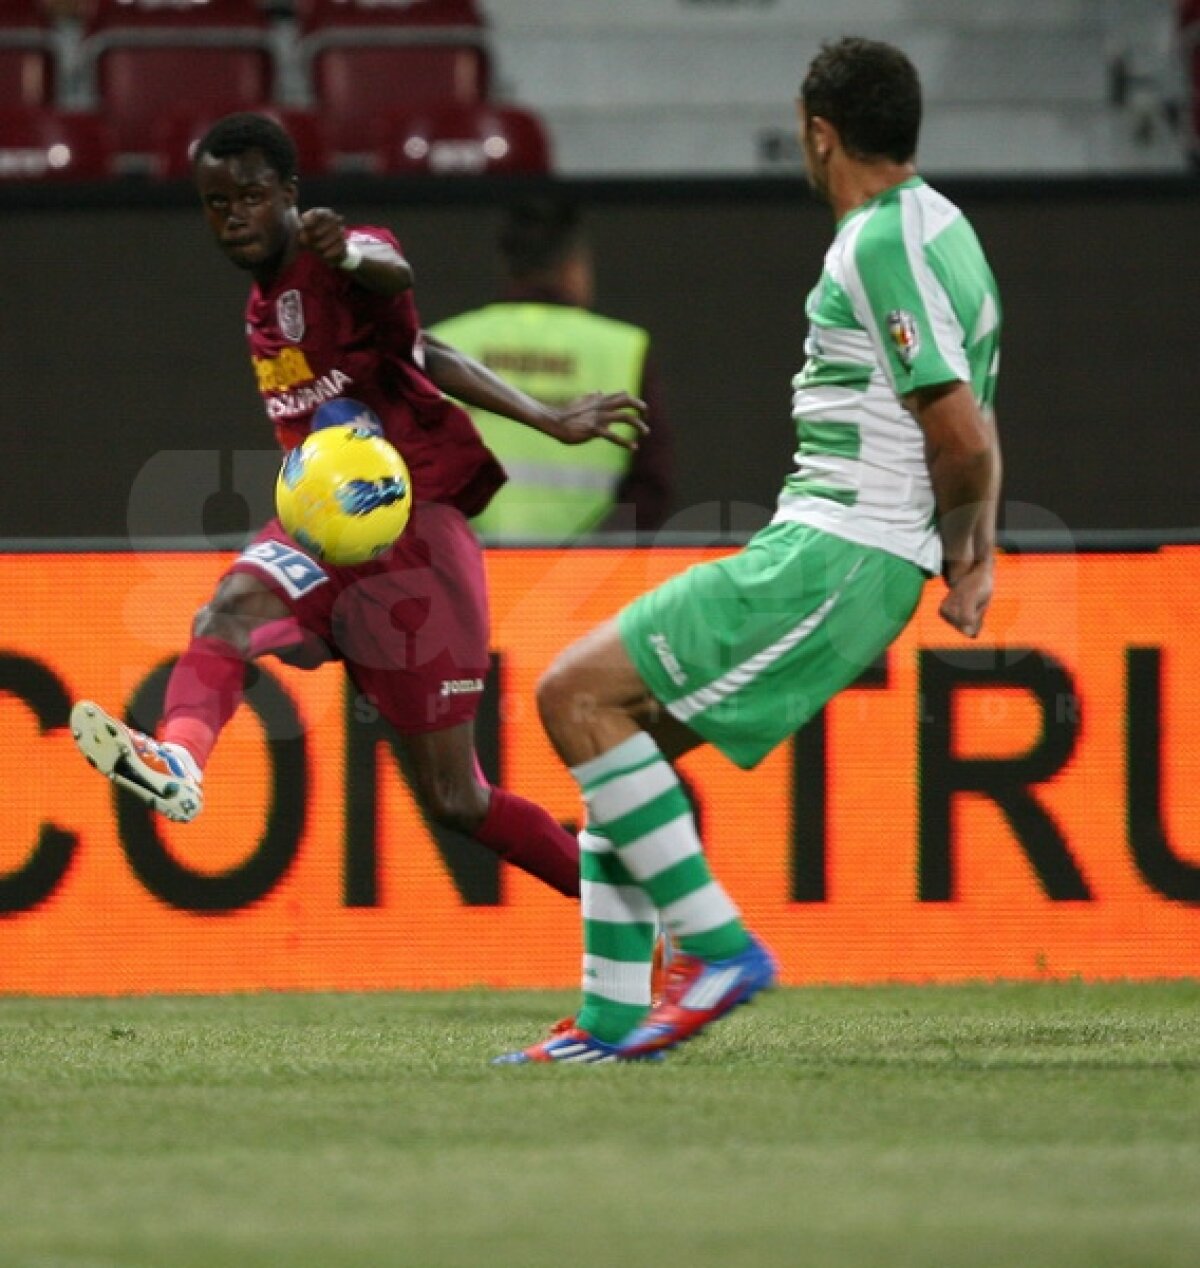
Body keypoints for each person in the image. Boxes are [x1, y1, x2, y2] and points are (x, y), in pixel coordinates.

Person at [495, 36, 1002, 1064]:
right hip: (845, 550)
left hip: (836, 550)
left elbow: (960, 432)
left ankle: (718, 949)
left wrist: (970, 550)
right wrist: (970, 551)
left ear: (821, 134)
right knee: (619, 763)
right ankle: (607, 1020)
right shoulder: (946, 228)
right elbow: (972, 417)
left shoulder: (875, 243)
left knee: (572, 697)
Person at [70, 111, 647, 903]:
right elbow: (420, 350)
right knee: (225, 616)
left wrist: (353, 252)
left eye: (250, 195)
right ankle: (177, 760)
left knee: (456, 799)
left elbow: (389, 276)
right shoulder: (262, 307)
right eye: (215, 202)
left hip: (412, 539)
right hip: (323, 528)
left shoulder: (332, 258)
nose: (233, 213)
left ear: (289, 194)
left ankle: (633, 911)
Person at [428, 197, 672, 542]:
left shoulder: (443, 345)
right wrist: (593, 563)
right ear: (575, 266)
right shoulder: (625, 348)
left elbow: (414, 472)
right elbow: (651, 484)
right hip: (585, 582)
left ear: (506, 264)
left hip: (472, 570)